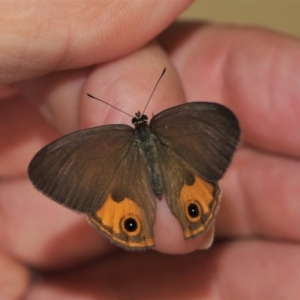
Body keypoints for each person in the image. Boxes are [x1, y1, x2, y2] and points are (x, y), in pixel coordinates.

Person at [1, 1, 300, 299]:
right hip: (147, 179)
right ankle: (179, 214)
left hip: (136, 183)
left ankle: (158, 218)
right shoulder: (164, 125)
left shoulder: (120, 136)